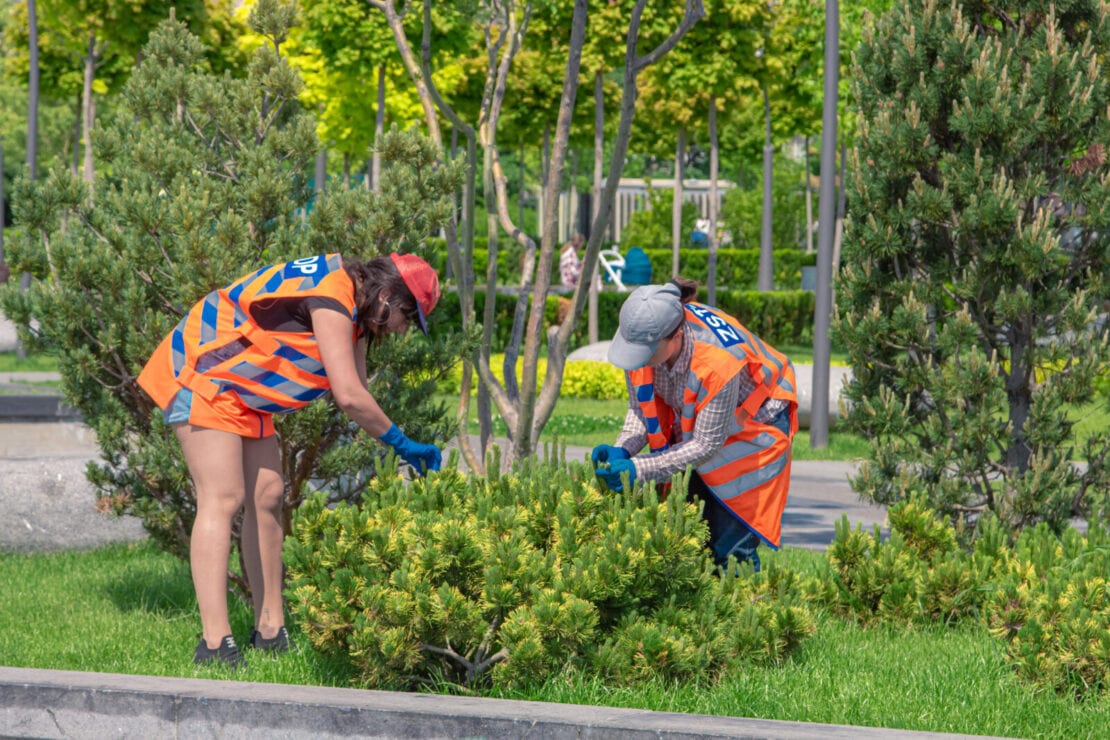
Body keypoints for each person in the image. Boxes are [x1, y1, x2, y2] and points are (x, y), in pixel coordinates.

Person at [137, 252, 442, 667]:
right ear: (387, 294)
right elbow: (349, 395)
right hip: (204, 369)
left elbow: (359, 390)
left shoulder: (354, 306)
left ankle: (271, 631)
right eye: (408, 316)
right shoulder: (333, 293)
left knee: (267, 495)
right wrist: (404, 444)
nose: (403, 329)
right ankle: (213, 645)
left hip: (242, 388)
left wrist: (393, 439)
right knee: (223, 496)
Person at [592, 279, 798, 572]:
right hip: (708, 429)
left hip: (755, 425)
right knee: (691, 524)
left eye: (646, 352)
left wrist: (639, 469)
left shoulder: (718, 363)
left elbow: (705, 445)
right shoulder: (642, 337)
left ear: (675, 336)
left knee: (729, 536)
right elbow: (640, 409)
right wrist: (622, 449)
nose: (638, 360)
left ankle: (739, 600)